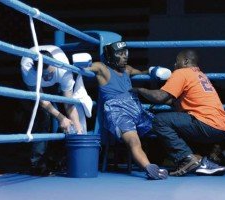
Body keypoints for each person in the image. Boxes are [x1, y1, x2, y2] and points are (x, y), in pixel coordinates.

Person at [73, 41, 170, 180]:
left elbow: (142, 72)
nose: (124, 56)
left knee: (164, 127)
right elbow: (87, 68)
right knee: (133, 141)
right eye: (120, 53)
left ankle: (186, 159)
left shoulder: (127, 70)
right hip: (118, 111)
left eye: (126, 53)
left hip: (136, 108)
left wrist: (154, 71)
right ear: (111, 56)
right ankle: (149, 168)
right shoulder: (103, 68)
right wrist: (82, 63)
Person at [133, 49, 225, 176]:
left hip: (206, 124)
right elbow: (177, 103)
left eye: (176, 61)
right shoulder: (200, 75)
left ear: (185, 61)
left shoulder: (181, 72)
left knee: (159, 121)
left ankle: (187, 159)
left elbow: (159, 97)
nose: (174, 65)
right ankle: (203, 163)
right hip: (221, 127)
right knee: (178, 122)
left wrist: (139, 89)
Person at [21, 45, 84, 175]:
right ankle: (37, 165)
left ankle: (55, 160)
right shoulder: (27, 68)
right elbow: (42, 100)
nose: (47, 77)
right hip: (37, 87)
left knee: (69, 122)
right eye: (44, 75)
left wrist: (78, 130)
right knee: (43, 116)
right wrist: (61, 118)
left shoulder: (63, 68)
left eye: (50, 73)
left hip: (58, 83)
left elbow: (69, 104)